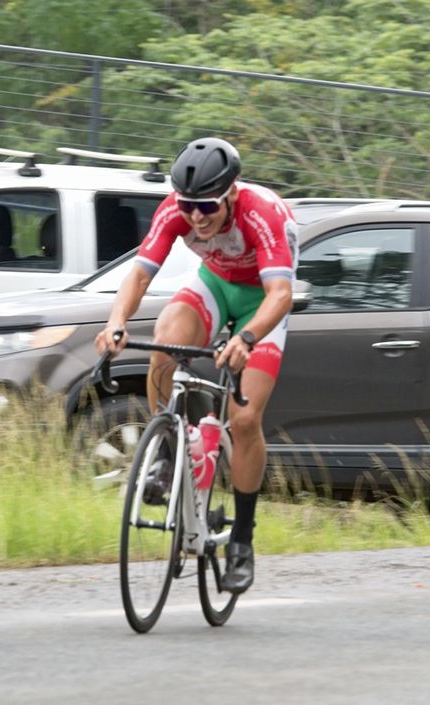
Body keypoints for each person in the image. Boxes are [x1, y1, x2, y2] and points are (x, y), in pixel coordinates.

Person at [95, 137, 297, 594]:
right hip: (216, 283)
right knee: (163, 346)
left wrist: (246, 338)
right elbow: (141, 274)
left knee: (244, 419)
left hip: (262, 303)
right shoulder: (175, 211)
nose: (197, 216)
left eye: (207, 205)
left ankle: (242, 540)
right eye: (188, 205)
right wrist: (116, 322)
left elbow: (281, 295)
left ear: (231, 193)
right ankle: (165, 453)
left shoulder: (261, 213)